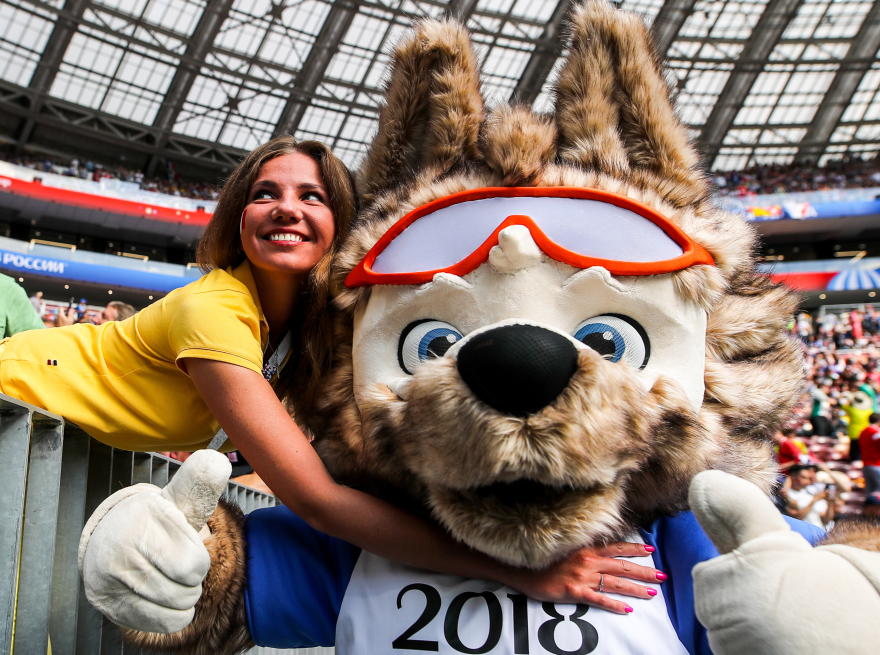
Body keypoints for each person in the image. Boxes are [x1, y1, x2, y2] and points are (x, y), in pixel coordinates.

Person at [0, 136, 656, 612]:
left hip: (48, 450)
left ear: (338, 223)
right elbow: (317, 498)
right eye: (265, 194)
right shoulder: (214, 307)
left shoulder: (298, 337)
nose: (287, 208)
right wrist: (515, 571)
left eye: (311, 196)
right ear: (238, 216)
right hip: (15, 403)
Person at [781, 464, 835, 529]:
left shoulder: (809, 492)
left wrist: (830, 503)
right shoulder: (787, 493)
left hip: (819, 531)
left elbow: (826, 520)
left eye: (809, 478)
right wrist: (814, 500)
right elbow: (798, 517)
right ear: (793, 476)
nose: (809, 480)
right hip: (803, 532)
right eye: (804, 477)